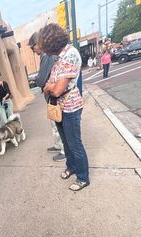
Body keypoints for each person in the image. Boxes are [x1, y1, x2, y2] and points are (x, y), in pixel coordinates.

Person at [39, 23, 89, 191]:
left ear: (51, 42)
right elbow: (49, 82)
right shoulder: (61, 56)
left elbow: (57, 88)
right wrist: (50, 86)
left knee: (74, 144)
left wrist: (49, 87)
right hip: (60, 106)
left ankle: (83, 178)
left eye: (44, 45)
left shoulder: (70, 54)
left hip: (70, 105)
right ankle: (72, 167)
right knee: (66, 142)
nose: (44, 50)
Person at [28, 32, 65, 162]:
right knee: (55, 123)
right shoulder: (49, 55)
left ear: (38, 43)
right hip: (53, 95)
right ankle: (58, 146)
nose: (33, 51)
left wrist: (40, 81)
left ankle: (63, 150)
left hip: (54, 96)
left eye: (33, 48)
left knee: (57, 123)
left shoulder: (46, 56)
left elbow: (41, 79)